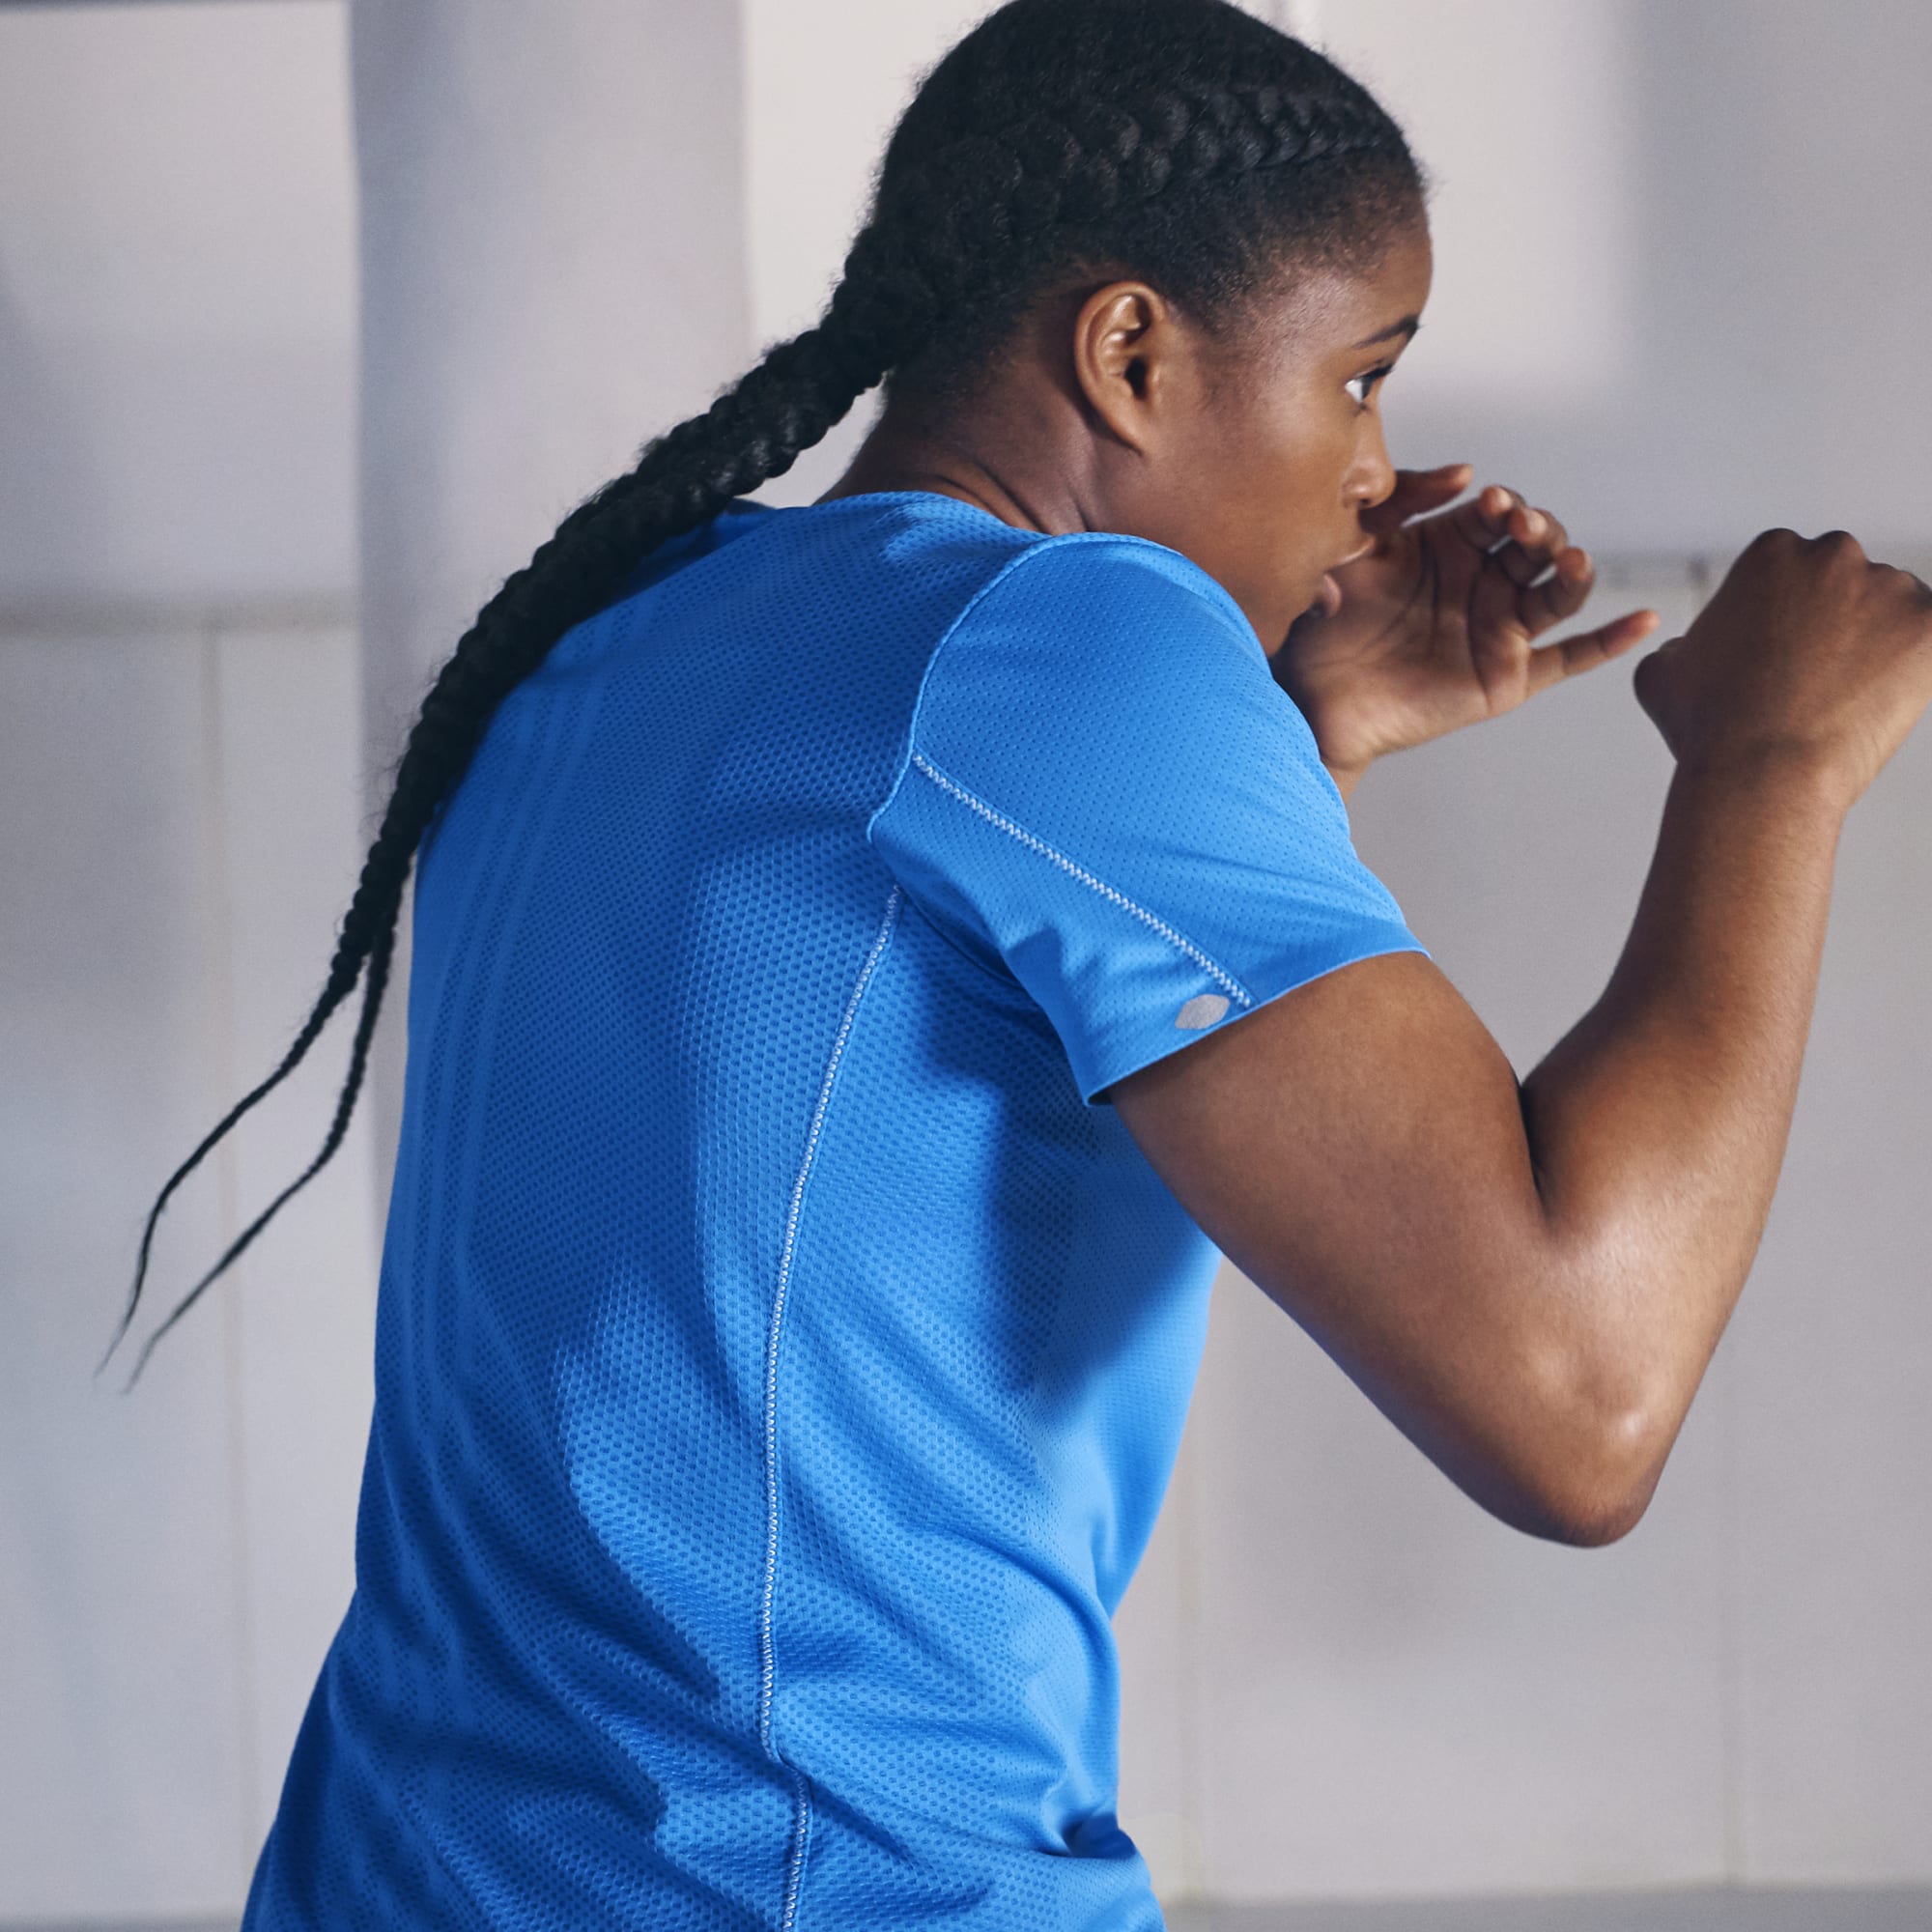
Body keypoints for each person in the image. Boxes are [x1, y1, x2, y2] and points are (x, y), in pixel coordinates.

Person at [109, 0, 1932, 1925]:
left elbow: (869, 1068)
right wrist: (1771, 763)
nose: (1373, 475)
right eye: (1358, 379)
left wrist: (1295, 737)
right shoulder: (1069, 639)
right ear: (1129, 354)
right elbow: (1578, 1401)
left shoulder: (622, 627)